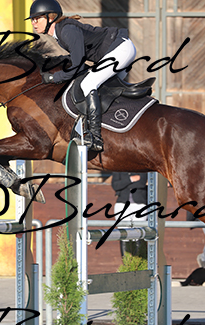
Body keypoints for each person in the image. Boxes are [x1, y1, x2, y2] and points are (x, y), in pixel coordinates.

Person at [28, 0, 137, 152]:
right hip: (120, 49)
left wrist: (54, 78)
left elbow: (77, 66)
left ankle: (95, 137)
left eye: (37, 18)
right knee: (105, 88)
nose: (33, 23)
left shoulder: (67, 30)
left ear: (50, 17)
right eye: (32, 19)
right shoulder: (61, 31)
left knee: (88, 83)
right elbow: (76, 58)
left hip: (120, 49)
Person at [111, 171, 147, 258]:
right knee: (124, 233)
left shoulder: (143, 167)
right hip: (122, 204)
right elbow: (115, 185)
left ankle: (138, 260)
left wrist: (124, 183)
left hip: (140, 204)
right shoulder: (118, 168)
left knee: (139, 232)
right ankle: (126, 261)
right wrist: (131, 179)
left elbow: (142, 183)